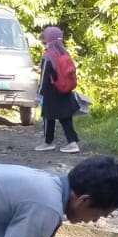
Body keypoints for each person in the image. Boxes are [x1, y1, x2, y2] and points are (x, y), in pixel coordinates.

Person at [35, 25, 80, 154]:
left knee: (48, 117)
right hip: (65, 90)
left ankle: (48, 142)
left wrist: (39, 93)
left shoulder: (48, 56)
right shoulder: (65, 53)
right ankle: (72, 143)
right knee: (65, 117)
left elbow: (44, 77)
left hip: (51, 91)